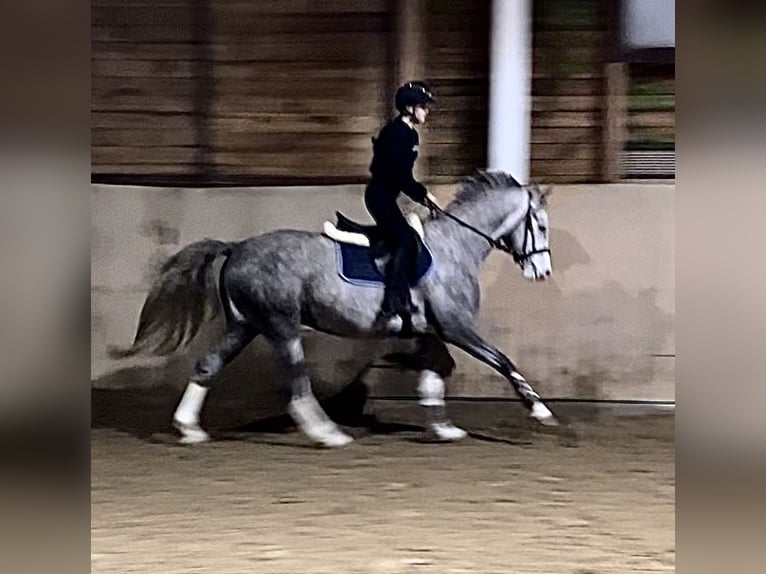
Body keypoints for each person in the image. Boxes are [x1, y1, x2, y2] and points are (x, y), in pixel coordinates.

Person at [365, 80, 439, 327]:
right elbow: (401, 176)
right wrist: (424, 194)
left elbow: (404, 177)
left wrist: (421, 195)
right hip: (379, 195)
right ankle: (391, 302)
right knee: (406, 240)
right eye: (423, 106)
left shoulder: (410, 134)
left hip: (388, 195)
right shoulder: (395, 133)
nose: (426, 111)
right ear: (409, 108)